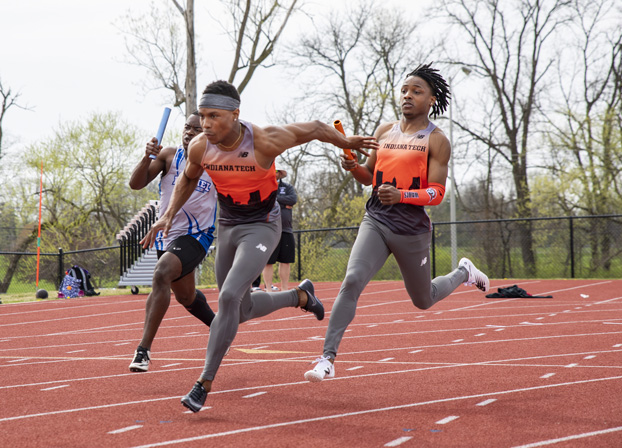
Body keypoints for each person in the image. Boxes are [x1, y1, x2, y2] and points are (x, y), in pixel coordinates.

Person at [141, 80, 378, 412]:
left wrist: (344, 141)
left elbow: (314, 128)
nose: (206, 124)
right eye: (202, 116)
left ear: (235, 115)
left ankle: (203, 384)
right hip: (229, 226)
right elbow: (189, 177)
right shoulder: (199, 146)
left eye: (213, 117)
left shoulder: (264, 141)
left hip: (263, 226)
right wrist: (167, 215)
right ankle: (300, 296)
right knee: (241, 310)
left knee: (226, 298)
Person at [304, 63, 490, 383]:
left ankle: (463, 272)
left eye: (417, 92)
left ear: (432, 100)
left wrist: (402, 195)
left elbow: (437, 193)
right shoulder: (383, 132)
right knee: (352, 280)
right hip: (376, 218)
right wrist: (352, 165)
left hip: (411, 228)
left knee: (423, 300)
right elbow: (367, 177)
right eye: (404, 90)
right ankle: (327, 359)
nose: (407, 96)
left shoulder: (437, 140)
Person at [128, 112, 217, 373]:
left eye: (196, 130)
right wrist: (147, 157)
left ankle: (143, 350)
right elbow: (136, 184)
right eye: (186, 128)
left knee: (162, 273)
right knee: (186, 296)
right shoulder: (169, 155)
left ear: (208, 135)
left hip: (198, 235)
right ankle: (219, 326)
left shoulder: (217, 161)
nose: (189, 133)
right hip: (167, 235)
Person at [251, 169, 297, 292]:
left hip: (286, 228)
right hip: (269, 229)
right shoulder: (262, 186)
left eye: (277, 171)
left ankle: (285, 289)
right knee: (268, 261)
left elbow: (293, 199)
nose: (275, 173)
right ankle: (268, 289)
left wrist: (276, 199)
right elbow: (263, 201)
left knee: (286, 260)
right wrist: (283, 203)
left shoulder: (287, 187)